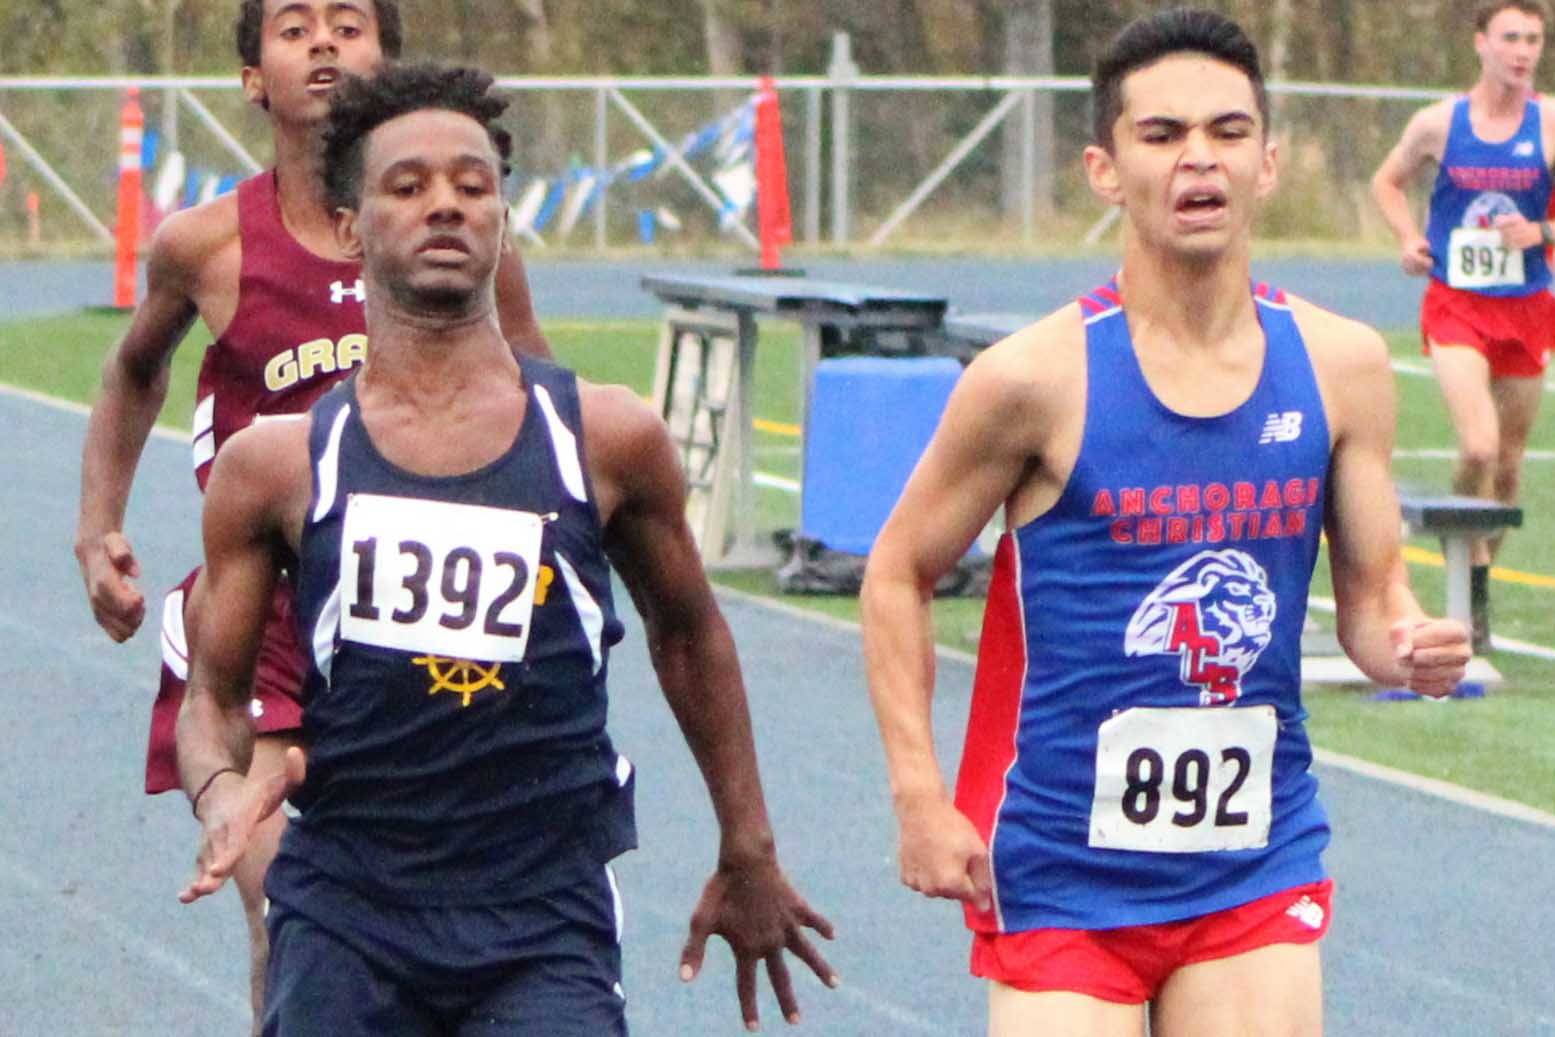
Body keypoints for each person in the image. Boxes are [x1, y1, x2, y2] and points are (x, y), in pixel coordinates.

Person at [174, 62, 837, 1035]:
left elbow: (689, 634)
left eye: (471, 184)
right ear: (351, 223)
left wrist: (748, 844)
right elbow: (212, 699)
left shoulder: (608, 441)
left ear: (501, 218)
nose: (444, 203)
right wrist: (222, 790)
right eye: (408, 185)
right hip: (347, 906)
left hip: (541, 912)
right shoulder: (276, 467)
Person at [860, 9, 1470, 1035]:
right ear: (1104, 169)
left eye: (1228, 133)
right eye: (1163, 135)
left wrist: (1407, 645)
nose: (1200, 159)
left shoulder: (1341, 365)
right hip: (1061, 866)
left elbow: (1371, 602)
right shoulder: (1033, 378)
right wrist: (920, 795)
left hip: (1252, 855)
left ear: (1267, 162)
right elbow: (896, 571)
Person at [72, 0, 549, 1023]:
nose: (325, 42)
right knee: (294, 908)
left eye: (348, 23)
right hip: (266, 617)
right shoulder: (205, 245)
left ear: (388, 61)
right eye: (295, 27)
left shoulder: (468, 239)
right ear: (253, 77)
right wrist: (96, 525)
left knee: (422, 914)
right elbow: (131, 370)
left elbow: (544, 400)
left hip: (412, 616)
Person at [1371, 0, 1555, 652]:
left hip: (1526, 305)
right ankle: (1466, 568)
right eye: (1509, 37)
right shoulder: (1439, 124)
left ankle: (1475, 577)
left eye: (1532, 39)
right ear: (1480, 43)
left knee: (1505, 469)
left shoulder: (1549, 122)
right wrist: (1407, 238)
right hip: (1456, 304)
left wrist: (1542, 230)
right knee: (1475, 445)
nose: (1522, 51)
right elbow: (1387, 182)